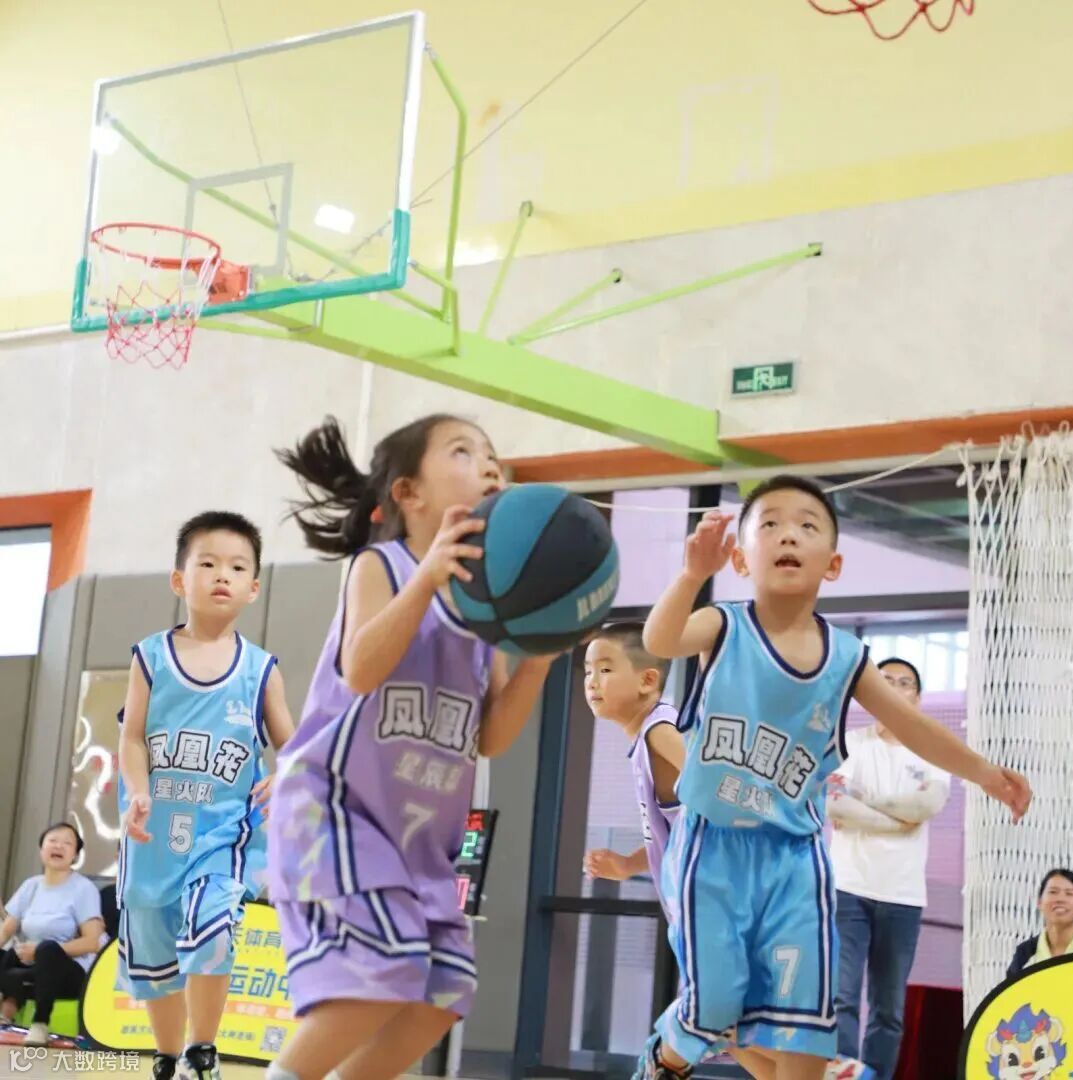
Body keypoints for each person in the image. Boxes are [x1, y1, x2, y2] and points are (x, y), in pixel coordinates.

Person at [633, 476, 1031, 1080]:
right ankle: (664, 1060)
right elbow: (660, 639)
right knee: (714, 1007)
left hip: (797, 860)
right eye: (770, 524)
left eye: (807, 525)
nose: (788, 534)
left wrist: (985, 773)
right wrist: (691, 575)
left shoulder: (848, 658)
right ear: (740, 559)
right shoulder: (723, 625)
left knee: (805, 1031)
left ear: (834, 564)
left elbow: (914, 727)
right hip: (713, 848)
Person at [265, 415, 557, 1080]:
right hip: (336, 816)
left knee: (442, 996)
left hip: (417, 841)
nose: (491, 466)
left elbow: (491, 736)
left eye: (493, 457)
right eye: (464, 452)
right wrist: (427, 579)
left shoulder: (490, 611)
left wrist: (539, 656)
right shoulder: (382, 565)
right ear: (409, 493)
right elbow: (362, 669)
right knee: (381, 975)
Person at [117, 511, 295, 1080]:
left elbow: (295, 747)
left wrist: (286, 774)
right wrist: (138, 791)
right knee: (154, 961)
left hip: (223, 834)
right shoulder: (150, 657)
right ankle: (169, 1058)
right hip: (153, 834)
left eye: (238, 567)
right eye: (209, 563)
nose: (223, 575)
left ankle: (202, 1051)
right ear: (179, 579)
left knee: (213, 927)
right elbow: (131, 736)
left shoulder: (260, 670)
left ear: (253, 587)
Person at [827, 657, 950, 1080]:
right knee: (840, 998)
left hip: (903, 896)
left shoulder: (932, 750)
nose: (895, 688)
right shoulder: (850, 744)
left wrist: (865, 800)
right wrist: (899, 820)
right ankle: (841, 1075)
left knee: (888, 1009)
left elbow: (926, 804)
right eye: (885, 681)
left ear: (918, 697)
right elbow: (835, 806)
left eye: (905, 683)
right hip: (847, 888)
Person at [581, 621, 682, 908]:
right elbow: (678, 830)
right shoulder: (649, 735)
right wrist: (628, 865)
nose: (591, 682)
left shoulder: (659, 732)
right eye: (588, 671)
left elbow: (716, 790)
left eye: (605, 670)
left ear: (647, 680)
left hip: (716, 903)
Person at [0, 823, 104, 1045]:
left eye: (67, 843)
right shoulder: (30, 886)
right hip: (31, 966)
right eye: (53, 841)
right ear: (41, 849)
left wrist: (39, 950)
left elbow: (92, 942)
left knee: (47, 948)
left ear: (75, 855)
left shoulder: (83, 889)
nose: (58, 846)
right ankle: (4, 1014)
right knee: (6, 954)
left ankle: (40, 1024)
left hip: (69, 971)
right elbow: (6, 929)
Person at [1006, 868, 1073, 977]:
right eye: (1053, 892)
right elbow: (1012, 988)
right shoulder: (1025, 953)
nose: (1060, 899)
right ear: (1040, 902)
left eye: (1069, 893)